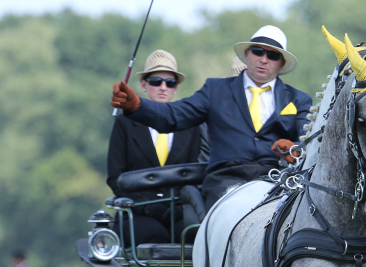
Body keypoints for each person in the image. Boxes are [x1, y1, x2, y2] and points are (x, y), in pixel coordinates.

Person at [110, 25, 312, 209]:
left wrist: (294, 147)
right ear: (247, 54)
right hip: (226, 181)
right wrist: (137, 104)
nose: (264, 59)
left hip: (276, 181)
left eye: (273, 55)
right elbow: (173, 116)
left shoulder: (298, 100)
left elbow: (308, 143)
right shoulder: (215, 90)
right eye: (258, 52)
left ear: (281, 63)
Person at [107, 49, 211, 245]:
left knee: (197, 239)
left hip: (178, 212)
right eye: (156, 81)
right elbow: (115, 177)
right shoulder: (125, 124)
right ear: (144, 85)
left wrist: (179, 207)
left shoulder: (192, 126)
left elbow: (196, 175)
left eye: (170, 83)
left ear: (176, 88)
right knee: (155, 236)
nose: (163, 87)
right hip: (137, 213)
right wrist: (146, 206)